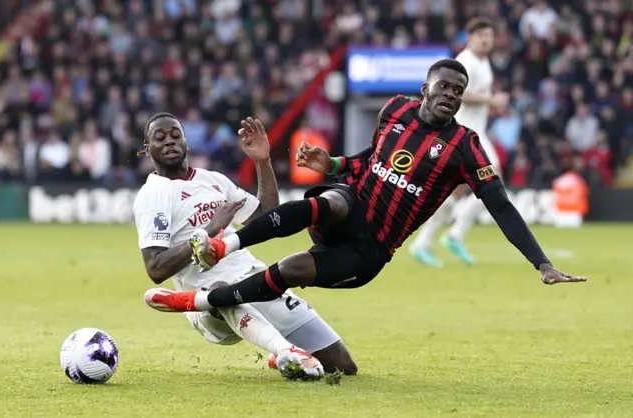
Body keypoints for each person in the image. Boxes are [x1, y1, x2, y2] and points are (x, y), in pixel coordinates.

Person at [143, 59, 586, 328]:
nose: (450, 95)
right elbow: (370, 161)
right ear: (424, 89)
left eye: (458, 91)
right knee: (332, 199)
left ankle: (197, 300)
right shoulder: (394, 109)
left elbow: (502, 206)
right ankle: (223, 244)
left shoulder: (466, 147)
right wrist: (334, 166)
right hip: (352, 208)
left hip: (371, 250)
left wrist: (542, 264)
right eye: (444, 87)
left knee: (289, 270)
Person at [134, 112, 357, 380]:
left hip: (255, 279)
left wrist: (263, 161)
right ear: (148, 150)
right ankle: (286, 351)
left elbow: (268, 218)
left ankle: (278, 354)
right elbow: (156, 268)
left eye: (175, 135)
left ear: (186, 142)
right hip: (207, 302)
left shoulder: (213, 180)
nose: (169, 141)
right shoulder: (153, 195)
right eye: (160, 138)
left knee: (343, 366)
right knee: (221, 291)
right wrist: (209, 229)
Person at [410, 18, 509, 267]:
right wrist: (491, 101)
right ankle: (453, 234)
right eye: (482, 35)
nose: (487, 40)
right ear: (470, 37)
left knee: (456, 191)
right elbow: (458, 95)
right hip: (463, 132)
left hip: (474, 132)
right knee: (492, 182)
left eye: (490, 35)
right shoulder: (465, 62)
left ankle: (427, 242)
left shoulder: (483, 62)